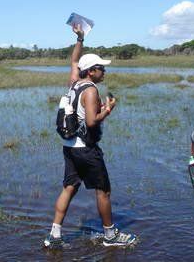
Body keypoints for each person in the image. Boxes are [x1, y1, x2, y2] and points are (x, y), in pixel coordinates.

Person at [43, 25, 137, 249]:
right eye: (101, 69)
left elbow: (74, 62)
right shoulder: (91, 90)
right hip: (86, 148)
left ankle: (54, 234)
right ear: (92, 71)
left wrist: (80, 39)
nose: (104, 72)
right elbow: (93, 121)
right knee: (103, 190)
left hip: (70, 146)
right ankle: (110, 235)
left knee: (69, 187)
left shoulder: (74, 83)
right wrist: (108, 109)